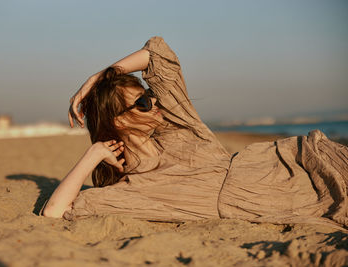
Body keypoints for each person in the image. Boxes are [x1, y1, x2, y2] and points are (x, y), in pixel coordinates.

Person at [43, 36, 348, 230]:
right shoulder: (132, 189)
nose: (155, 103)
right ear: (119, 122)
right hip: (282, 198)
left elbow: (157, 55)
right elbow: (54, 213)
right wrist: (95, 152)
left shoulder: (177, 127)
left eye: (149, 94)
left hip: (298, 161)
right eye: (143, 102)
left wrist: (102, 76)